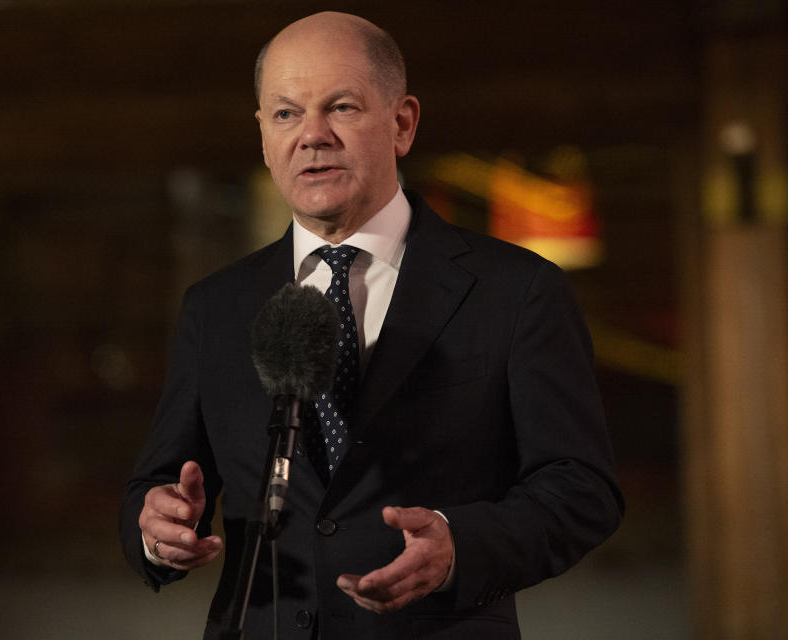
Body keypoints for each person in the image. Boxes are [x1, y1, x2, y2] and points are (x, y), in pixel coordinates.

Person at [120, 11, 623, 640]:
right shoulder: (215, 307)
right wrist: (156, 526)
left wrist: (457, 547)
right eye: (285, 114)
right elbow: (161, 482)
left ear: (403, 123)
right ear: (263, 136)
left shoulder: (516, 290)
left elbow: (581, 489)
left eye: (342, 107)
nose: (312, 136)